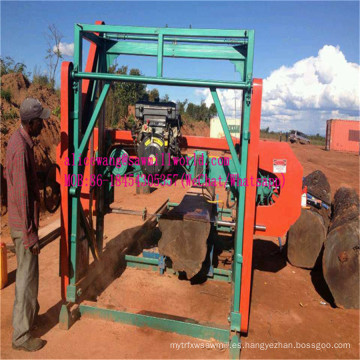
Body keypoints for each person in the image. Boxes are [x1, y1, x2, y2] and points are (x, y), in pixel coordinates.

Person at [6, 98, 50, 352]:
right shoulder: (20, 148)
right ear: (30, 123)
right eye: (40, 122)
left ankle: (30, 319)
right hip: (23, 226)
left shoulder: (19, 141)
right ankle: (21, 336)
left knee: (31, 275)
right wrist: (30, 234)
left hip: (23, 223)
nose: (43, 126)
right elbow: (22, 197)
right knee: (24, 278)